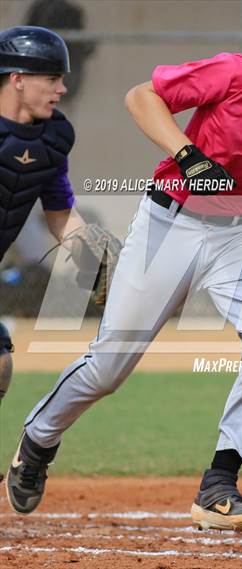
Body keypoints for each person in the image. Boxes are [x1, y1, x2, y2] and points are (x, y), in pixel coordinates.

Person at [6, 5, 242, 536]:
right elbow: (142, 97)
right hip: (169, 224)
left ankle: (219, 485)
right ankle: (39, 438)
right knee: (110, 366)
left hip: (240, 237)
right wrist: (186, 152)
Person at [0, 27, 83, 425]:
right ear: (17, 80)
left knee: (0, 365)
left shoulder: (52, 139)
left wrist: (93, 251)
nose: (61, 89)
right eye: (52, 78)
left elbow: (59, 212)